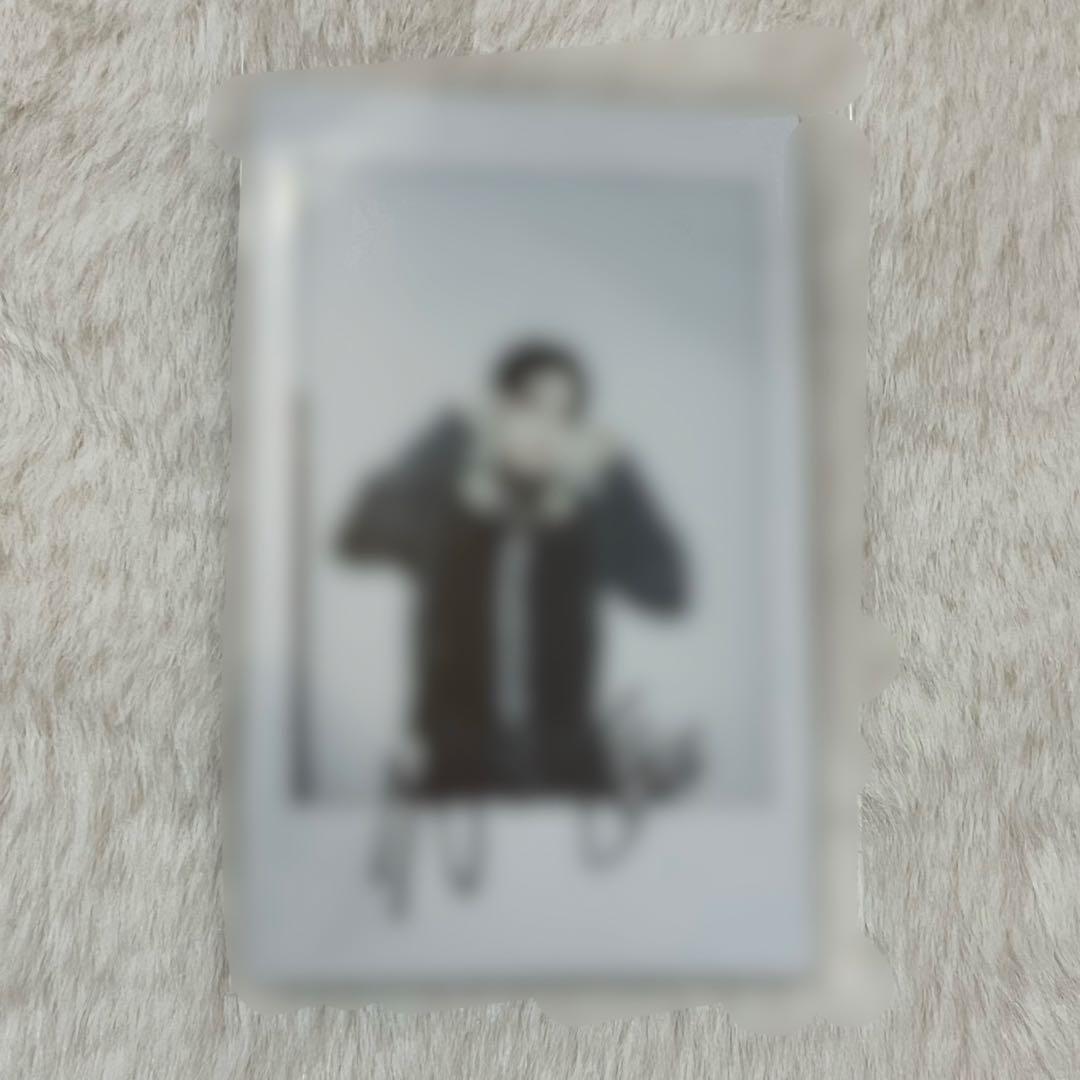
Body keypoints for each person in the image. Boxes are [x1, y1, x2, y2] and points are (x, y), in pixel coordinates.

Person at [336, 340, 690, 798]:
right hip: (455, 769)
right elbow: (356, 540)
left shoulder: (582, 524)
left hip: (568, 769)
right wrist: (448, 435)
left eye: (564, 416)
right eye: (531, 407)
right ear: (497, 411)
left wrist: (616, 470)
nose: (546, 429)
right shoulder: (447, 515)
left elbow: (669, 592)